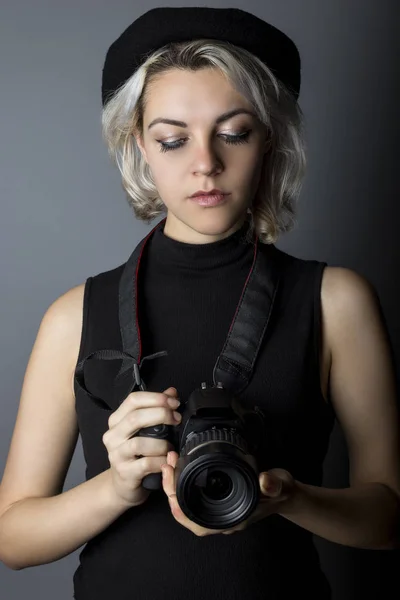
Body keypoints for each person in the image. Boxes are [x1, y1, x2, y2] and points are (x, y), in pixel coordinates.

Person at [0, 6, 399, 600]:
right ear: (140, 146)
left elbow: (388, 518)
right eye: (172, 139)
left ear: (268, 139)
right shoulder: (74, 314)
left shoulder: (335, 300)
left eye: (233, 132)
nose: (205, 163)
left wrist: (285, 497)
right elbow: (12, 539)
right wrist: (115, 486)